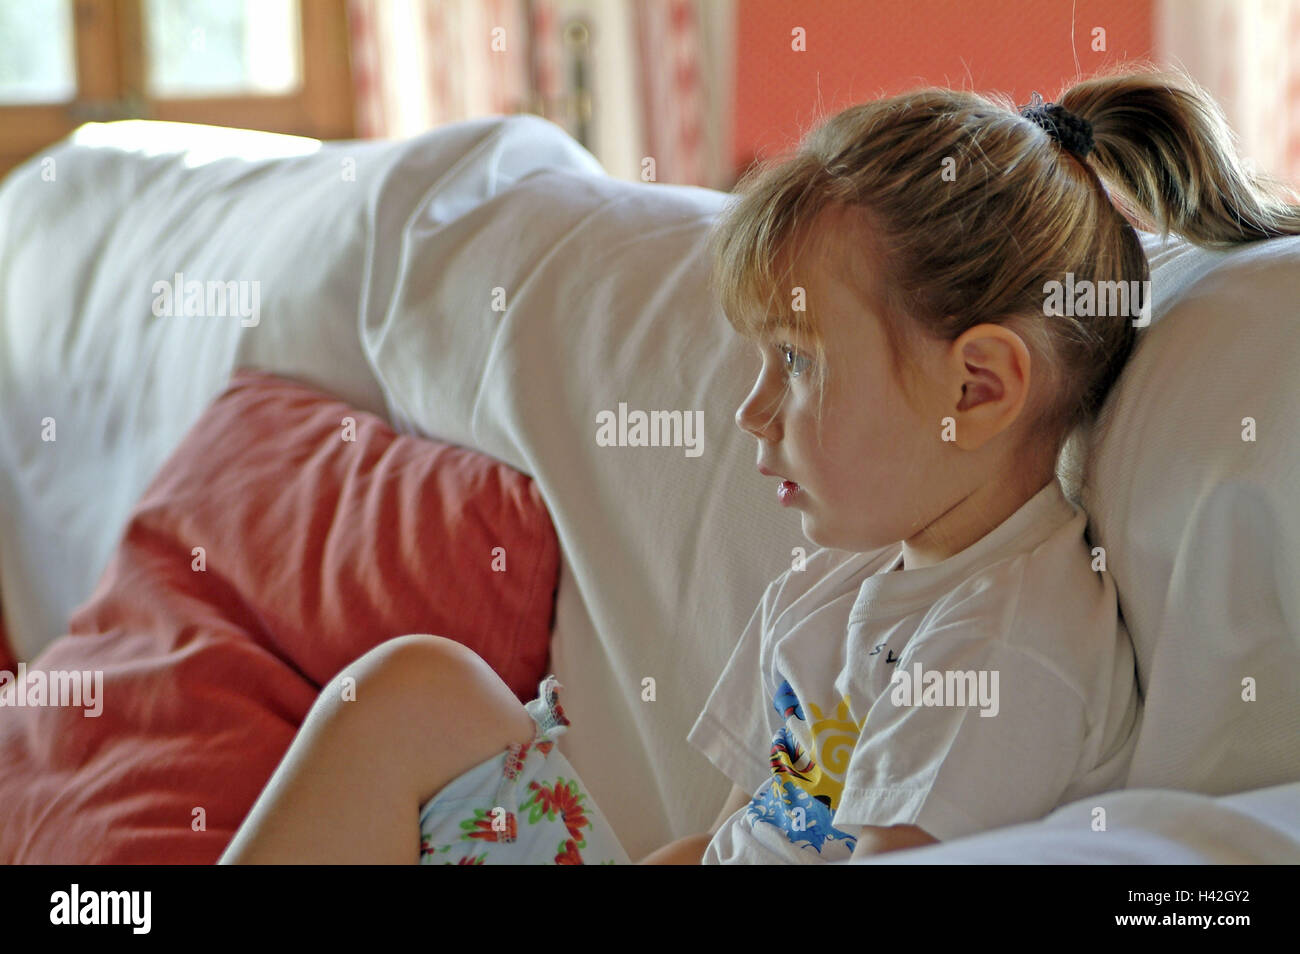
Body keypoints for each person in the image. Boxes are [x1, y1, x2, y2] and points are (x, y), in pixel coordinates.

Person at [219, 61, 1300, 865]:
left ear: (978, 388)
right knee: (415, 690)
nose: (751, 410)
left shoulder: (1005, 654)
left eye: (795, 361)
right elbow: (746, 836)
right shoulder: (861, 575)